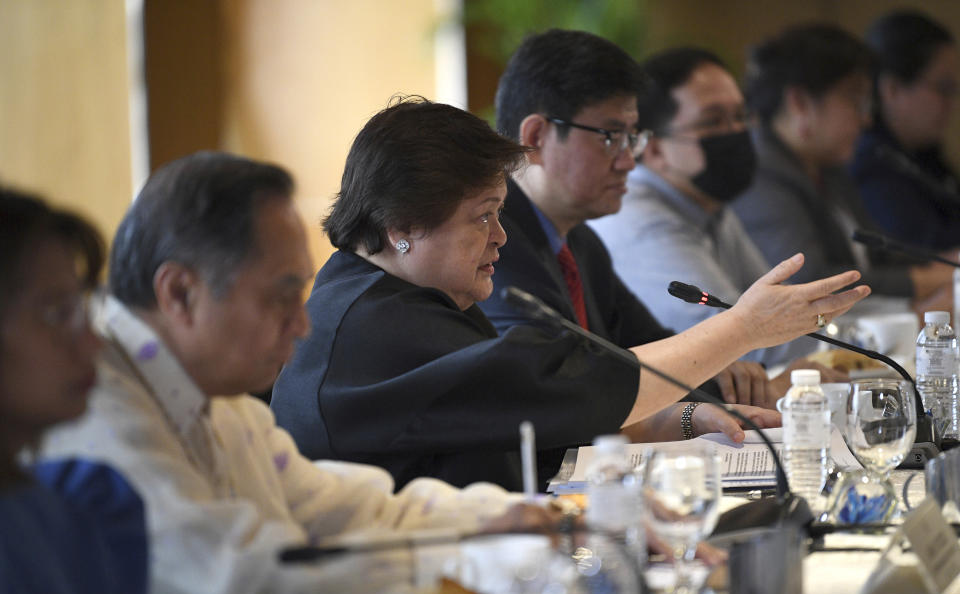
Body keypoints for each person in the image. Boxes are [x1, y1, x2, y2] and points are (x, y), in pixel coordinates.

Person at [41, 153, 560, 594]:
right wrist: (457, 559)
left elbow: (344, 507)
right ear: (180, 293)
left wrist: (493, 519)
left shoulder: (216, 400)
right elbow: (245, 579)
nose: (303, 324)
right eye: (280, 295)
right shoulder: (95, 414)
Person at [271, 95, 867, 494]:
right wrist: (745, 328)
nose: (501, 238)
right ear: (400, 226)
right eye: (482, 218)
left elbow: (516, 416)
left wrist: (668, 421)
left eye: (501, 214)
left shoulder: (390, 297)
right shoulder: (374, 328)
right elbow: (553, 383)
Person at [0, 189, 355, 594]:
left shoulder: (71, 503)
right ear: (179, 293)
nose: (91, 344)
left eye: (81, 310)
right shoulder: (95, 470)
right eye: (56, 314)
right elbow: (232, 579)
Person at [478, 29, 795, 409]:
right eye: (610, 137)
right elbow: (565, 389)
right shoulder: (492, 245)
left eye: (632, 137)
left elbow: (651, 348)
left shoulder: (582, 241)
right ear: (537, 137)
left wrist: (728, 381)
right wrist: (741, 329)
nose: (628, 160)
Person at [589, 46, 833, 385]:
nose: (735, 132)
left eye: (739, 116)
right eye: (713, 121)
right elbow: (735, 343)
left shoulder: (706, 200)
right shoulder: (641, 219)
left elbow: (778, 307)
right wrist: (840, 338)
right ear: (655, 149)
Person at [732, 23, 952, 314]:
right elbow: (806, 281)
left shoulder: (828, 166)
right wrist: (925, 282)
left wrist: (944, 266)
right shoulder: (758, 172)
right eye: (855, 100)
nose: (866, 120)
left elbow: (881, 254)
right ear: (799, 103)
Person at [851, 9, 960, 251]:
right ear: (892, 89)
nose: (952, 103)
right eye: (943, 88)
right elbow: (925, 249)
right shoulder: (870, 161)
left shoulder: (925, 153)